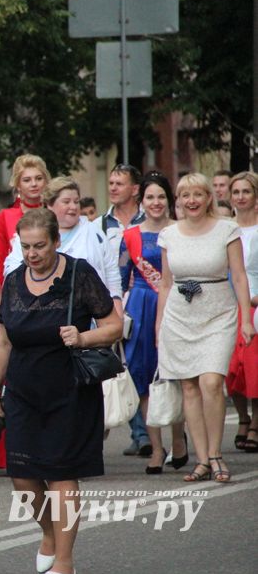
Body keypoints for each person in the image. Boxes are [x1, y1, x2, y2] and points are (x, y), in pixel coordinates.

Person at [0, 209, 122, 574]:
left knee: (61, 476)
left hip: (69, 389)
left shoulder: (79, 275)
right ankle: (49, 532)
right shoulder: (13, 283)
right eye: (25, 246)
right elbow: (4, 342)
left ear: (56, 242)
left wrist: (84, 337)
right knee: (23, 477)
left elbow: (113, 326)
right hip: (24, 391)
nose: (32, 253)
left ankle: (65, 557)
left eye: (39, 246)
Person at [156, 173, 254, 483]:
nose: (192, 201)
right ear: (179, 201)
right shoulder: (169, 235)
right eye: (186, 195)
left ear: (208, 198)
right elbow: (166, 284)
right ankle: (201, 460)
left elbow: (238, 276)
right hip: (179, 316)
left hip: (218, 314)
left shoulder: (227, 230)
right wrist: (160, 323)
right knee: (188, 386)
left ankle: (216, 454)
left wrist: (246, 319)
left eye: (198, 194)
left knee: (211, 382)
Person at [118, 172, 187, 473]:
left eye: (161, 197)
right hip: (142, 306)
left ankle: (179, 439)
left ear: (169, 200)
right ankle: (156, 447)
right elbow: (120, 281)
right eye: (150, 197)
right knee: (144, 377)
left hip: (178, 305)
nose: (156, 202)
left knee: (177, 373)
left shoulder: (182, 230)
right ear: (141, 201)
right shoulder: (130, 236)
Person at [3, 177, 122, 311]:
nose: (73, 206)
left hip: (89, 314)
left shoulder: (93, 231)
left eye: (76, 202)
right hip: (40, 313)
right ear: (49, 204)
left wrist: (116, 302)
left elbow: (111, 271)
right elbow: (11, 269)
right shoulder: (31, 231)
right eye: (66, 202)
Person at [100, 163, 149, 457]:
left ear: (135, 189)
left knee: (145, 364)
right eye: (111, 183)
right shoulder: (100, 225)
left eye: (120, 183)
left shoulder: (149, 220)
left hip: (144, 297)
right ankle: (140, 433)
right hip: (112, 302)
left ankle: (162, 431)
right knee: (122, 364)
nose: (113, 188)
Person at [0, 154, 51, 314]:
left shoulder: (54, 213)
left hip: (53, 293)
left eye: (38, 178)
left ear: (46, 181)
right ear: (17, 185)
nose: (34, 184)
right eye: (27, 180)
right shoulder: (6, 216)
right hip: (17, 297)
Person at [225, 172, 258, 452]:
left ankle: (256, 421)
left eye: (246, 191)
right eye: (236, 191)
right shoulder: (225, 229)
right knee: (230, 366)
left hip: (256, 303)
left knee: (253, 366)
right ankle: (243, 417)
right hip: (228, 303)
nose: (241, 197)